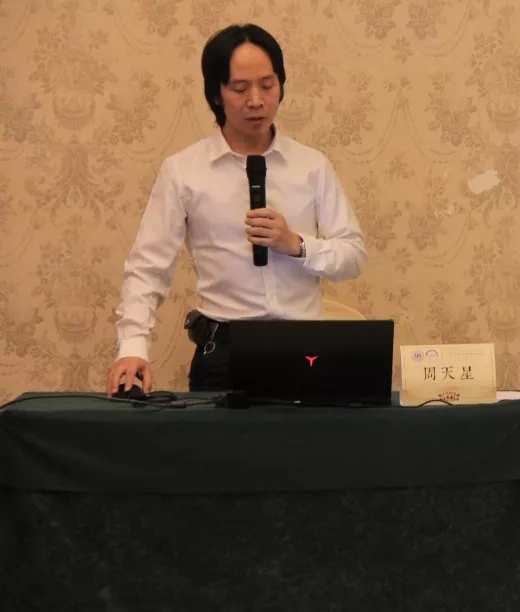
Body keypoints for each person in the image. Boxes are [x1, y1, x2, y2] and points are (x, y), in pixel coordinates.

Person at [107, 24, 368, 394]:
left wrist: (297, 245)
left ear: (281, 86)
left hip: (306, 349)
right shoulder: (184, 170)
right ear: (216, 93)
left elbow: (354, 256)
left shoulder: (311, 166)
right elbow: (148, 267)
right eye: (240, 88)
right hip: (224, 354)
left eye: (267, 85)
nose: (256, 100)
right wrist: (133, 347)